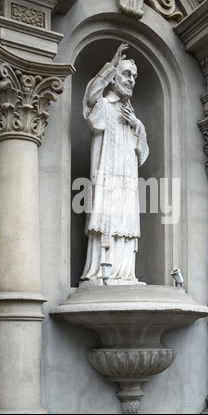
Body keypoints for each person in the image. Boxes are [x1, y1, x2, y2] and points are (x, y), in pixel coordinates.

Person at [80, 43, 149, 284]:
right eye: (127, 74)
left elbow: (142, 154)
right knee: (107, 218)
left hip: (127, 184)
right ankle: (103, 272)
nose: (131, 80)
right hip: (108, 181)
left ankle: (126, 273)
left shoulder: (133, 117)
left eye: (135, 76)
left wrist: (136, 126)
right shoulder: (104, 106)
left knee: (126, 219)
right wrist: (110, 66)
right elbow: (90, 100)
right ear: (114, 78)